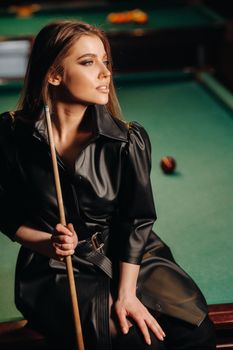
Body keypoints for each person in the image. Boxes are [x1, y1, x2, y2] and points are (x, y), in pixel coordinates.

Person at [0, 20, 216, 350]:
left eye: (106, 61)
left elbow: (136, 220)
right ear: (54, 74)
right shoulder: (13, 135)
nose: (105, 72)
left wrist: (126, 295)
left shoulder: (128, 140)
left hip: (128, 255)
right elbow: (4, 210)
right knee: (139, 344)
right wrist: (45, 242)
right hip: (59, 268)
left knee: (196, 335)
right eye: (88, 62)